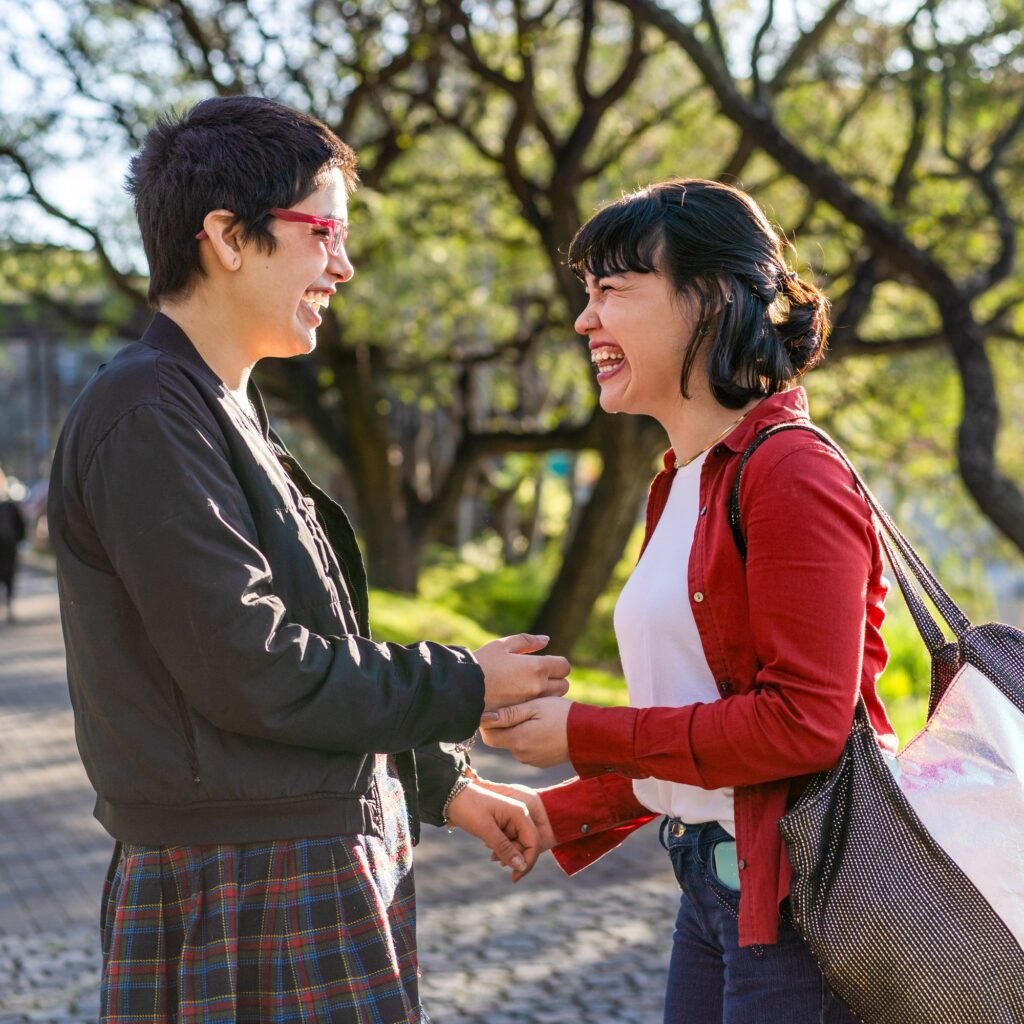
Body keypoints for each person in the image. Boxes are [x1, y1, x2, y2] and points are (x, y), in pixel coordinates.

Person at [47, 95, 570, 1024]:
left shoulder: (216, 406)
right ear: (228, 237)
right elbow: (253, 668)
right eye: (323, 230)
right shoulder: (146, 415)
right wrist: (464, 684)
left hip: (288, 868)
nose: (345, 262)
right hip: (240, 888)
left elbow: (303, 649)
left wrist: (437, 782)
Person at [478, 178, 897, 1023]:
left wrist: (582, 732)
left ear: (708, 298)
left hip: (799, 918)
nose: (583, 321)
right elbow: (702, 731)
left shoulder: (791, 471)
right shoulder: (679, 484)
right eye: (584, 294)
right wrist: (563, 813)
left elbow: (803, 726)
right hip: (713, 891)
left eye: (611, 291)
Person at [0, 467, 27, 622]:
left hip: (8, 545)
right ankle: (9, 602)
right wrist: (19, 540)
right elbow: (20, 525)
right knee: (9, 575)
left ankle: (8, 602)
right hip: (10, 545)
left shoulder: (10, 505)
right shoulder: (10, 505)